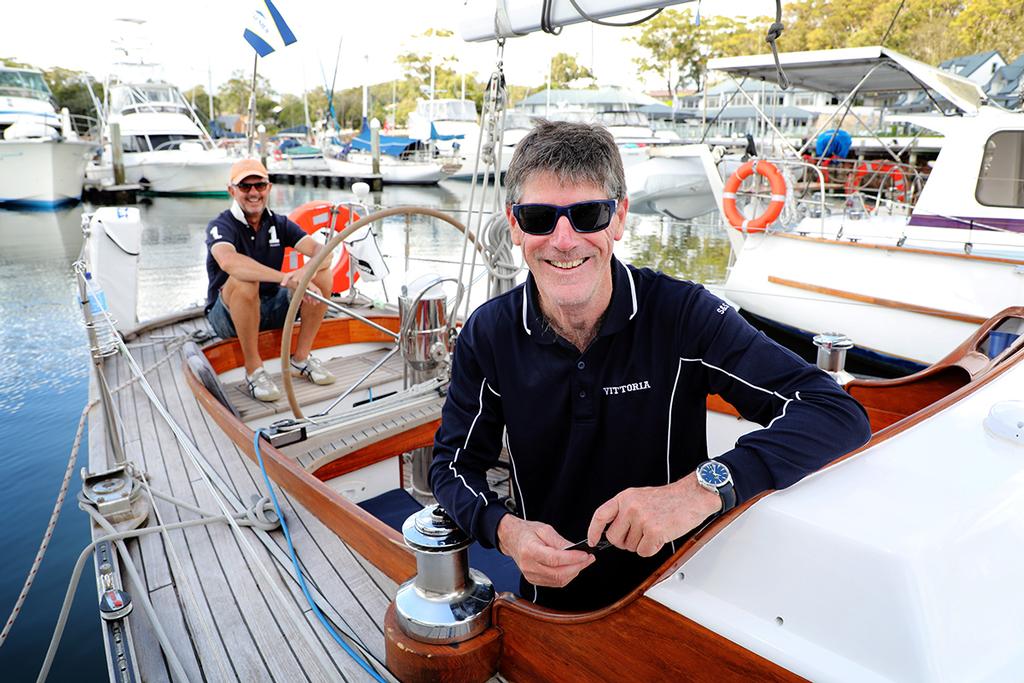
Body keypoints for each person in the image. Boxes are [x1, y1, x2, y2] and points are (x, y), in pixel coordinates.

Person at [429, 120, 872, 611]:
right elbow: (452, 466)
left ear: (618, 219)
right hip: (548, 603)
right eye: (538, 217)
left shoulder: (683, 315)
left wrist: (699, 490)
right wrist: (506, 532)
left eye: (588, 214)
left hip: (679, 592)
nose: (563, 239)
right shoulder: (488, 334)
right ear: (514, 225)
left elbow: (833, 411)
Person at [205, 158, 336, 402]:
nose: (253, 192)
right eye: (245, 187)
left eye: (260, 185)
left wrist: (305, 273)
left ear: (269, 188)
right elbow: (229, 262)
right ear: (231, 191)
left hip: (271, 306)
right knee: (245, 279)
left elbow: (324, 251)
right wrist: (288, 278)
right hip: (228, 316)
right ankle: (254, 370)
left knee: (323, 273)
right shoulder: (221, 225)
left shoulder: (280, 223)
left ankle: (301, 359)